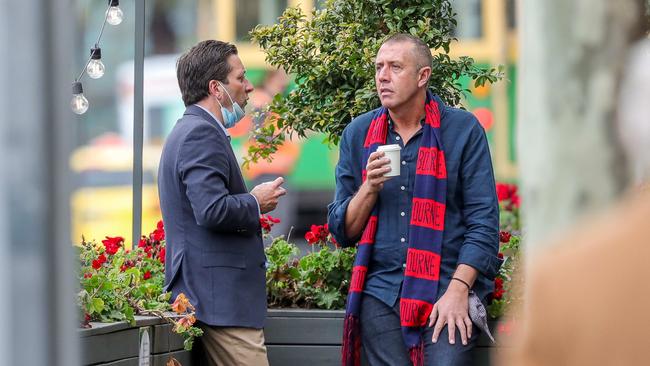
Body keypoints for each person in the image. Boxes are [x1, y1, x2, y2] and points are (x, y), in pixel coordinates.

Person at [327, 34, 501, 366]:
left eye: (395, 67)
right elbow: (342, 231)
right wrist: (369, 187)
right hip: (382, 292)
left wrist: (458, 290)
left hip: (446, 286)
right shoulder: (359, 134)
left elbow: (483, 224)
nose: (382, 76)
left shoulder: (463, 131)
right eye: (379, 67)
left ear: (423, 76)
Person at [158, 40, 286, 366]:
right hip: (218, 302)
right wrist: (255, 202)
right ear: (216, 88)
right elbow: (211, 209)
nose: (249, 86)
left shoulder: (194, 130)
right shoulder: (200, 133)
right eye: (240, 78)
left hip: (212, 299)